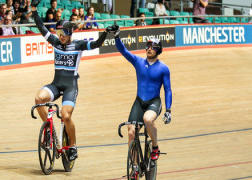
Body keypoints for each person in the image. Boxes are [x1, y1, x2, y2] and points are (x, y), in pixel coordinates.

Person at [30, 0, 113, 161]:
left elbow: (96, 44)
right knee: (38, 99)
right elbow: (41, 27)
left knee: (65, 116)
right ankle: (50, 131)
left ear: (70, 34)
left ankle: (73, 146)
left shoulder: (78, 45)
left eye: (63, 34)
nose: (60, 37)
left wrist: (105, 33)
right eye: (59, 34)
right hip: (56, 84)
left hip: (70, 87)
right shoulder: (55, 42)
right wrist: (33, 9)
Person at [110, 25, 172, 161]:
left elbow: (167, 90)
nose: (150, 49)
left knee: (148, 119)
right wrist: (117, 36)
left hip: (154, 102)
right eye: (148, 46)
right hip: (139, 101)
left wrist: (168, 110)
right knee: (131, 132)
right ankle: (135, 165)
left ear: (159, 50)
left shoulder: (163, 68)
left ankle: (155, 147)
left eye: (153, 47)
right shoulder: (138, 62)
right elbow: (124, 51)